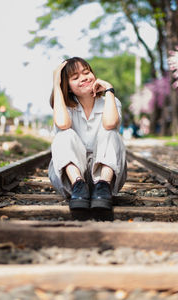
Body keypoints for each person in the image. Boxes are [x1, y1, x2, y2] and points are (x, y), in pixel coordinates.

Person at [48, 57, 127, 219]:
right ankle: (78, 185)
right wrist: (56, 84)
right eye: (75, 77)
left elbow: (111, 123)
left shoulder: (109, 101)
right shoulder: (65, 107)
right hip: (72, 181)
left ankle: (102, 187)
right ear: (68, 87)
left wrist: (109, 90)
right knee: (64, 134)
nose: (84, 78)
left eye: (86, 72)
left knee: (110, 132)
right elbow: (62, 123)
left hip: (106, 178)